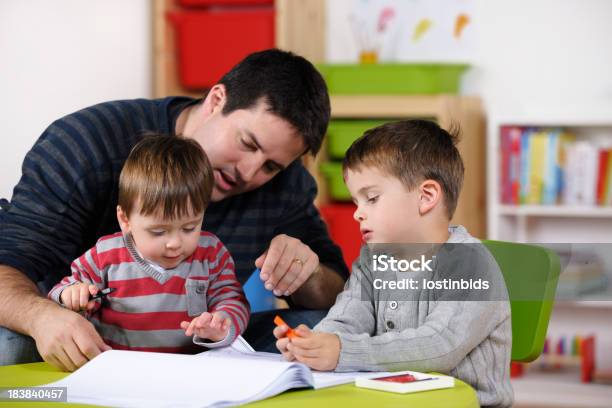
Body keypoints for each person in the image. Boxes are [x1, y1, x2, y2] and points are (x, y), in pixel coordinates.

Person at [0, 49, 348, 369]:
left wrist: (308, 271)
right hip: (88, 344)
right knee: (9, 344)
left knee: (327, 329)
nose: (248, 172)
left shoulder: (283, 186)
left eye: (271, 166)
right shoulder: (85, 145)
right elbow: (9, 265)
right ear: (216, 100)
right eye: (246, 143)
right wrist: (42, 317)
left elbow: (336, 292)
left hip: (199, 348)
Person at [274, 120, 514, 407]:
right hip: (393, 399)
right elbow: (347, 319)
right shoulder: (373, 260)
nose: (358, 214)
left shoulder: (470, 264)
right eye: (355, 202)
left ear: (426, 197)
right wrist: (314, 343)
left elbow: (439, 345)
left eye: (372, 198)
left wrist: (342, 351)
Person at [47, 135, 249, 363]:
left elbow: (234, 300)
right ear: (125, 220)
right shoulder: (106, 256)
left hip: (190, 371)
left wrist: (221, 323)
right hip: (118, 368)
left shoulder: (211, 253)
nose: (175, 243)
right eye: (158, 232)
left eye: (189, 227)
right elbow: (60, 291)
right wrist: (71, 295)